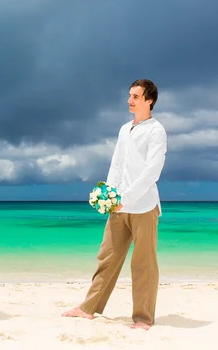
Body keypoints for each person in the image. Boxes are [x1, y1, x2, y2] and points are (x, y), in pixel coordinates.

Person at [62, 78, 167, 330]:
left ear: (149, 100)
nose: (130, 100)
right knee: (107, 257)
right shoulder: (124, 129)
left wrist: (126, 199)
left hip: (142, 207)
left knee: (143, 264)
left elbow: (152, 171)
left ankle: (143, 318)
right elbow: (117, 164)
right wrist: (107, 195)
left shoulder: (156, 130)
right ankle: (89, 308)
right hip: (118, 206)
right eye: (129, 95)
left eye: (135, 97)